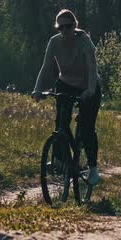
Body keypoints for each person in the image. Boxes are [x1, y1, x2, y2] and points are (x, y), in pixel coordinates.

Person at [32, 9, 102, 186]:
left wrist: (90, 90)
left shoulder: (84, 40)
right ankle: (61, 161)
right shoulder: (54, 42)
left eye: (68, 26)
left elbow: (92, 68)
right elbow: (46, 67)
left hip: (88, 85)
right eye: (60, 27)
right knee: (61, 123)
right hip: (66, 84)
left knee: (86, 128)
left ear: (75, 25)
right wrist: (37, 90)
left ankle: (93, 168)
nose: (64, 30)